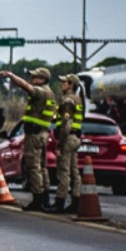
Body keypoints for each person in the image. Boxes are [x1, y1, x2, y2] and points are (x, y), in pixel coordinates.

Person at [0, 67, 57, 211]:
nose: (32, 79)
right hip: (42, 133)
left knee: (32, 166)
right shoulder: (50, 93)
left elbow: (25, 86)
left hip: (35, 134)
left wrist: (12, 76)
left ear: (43, 79)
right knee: (42, 167)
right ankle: (44, 198)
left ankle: (38, 199)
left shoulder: (41, 91)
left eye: (35, 77)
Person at [48, 74, 84, 213]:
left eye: (64, 82)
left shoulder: (67, 101)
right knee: (74, 172)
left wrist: (60, 144)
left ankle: (59, 202)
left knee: (63, 172)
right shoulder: (78, 99)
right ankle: (76, 202)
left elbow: (66, 125)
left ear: (71, 85)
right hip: (76, 138)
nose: (61, 84)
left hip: (68, 138)